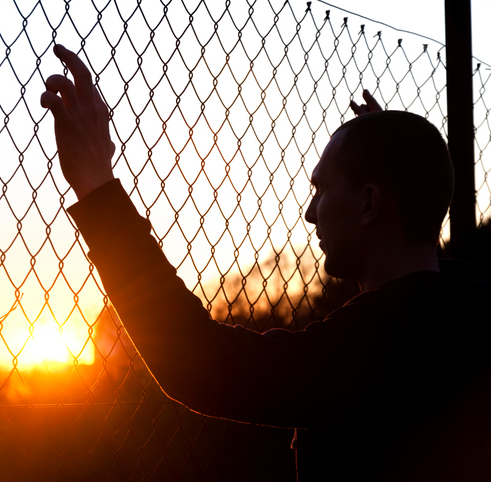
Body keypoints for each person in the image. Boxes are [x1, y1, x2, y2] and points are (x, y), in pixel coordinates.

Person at [41, 44, 491, 481]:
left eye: (322, 189)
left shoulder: (377, 347)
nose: (311, 212)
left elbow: (196, 360)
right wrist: (392, 166)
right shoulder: (466, 313)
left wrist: (97, 185)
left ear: (370, 203)